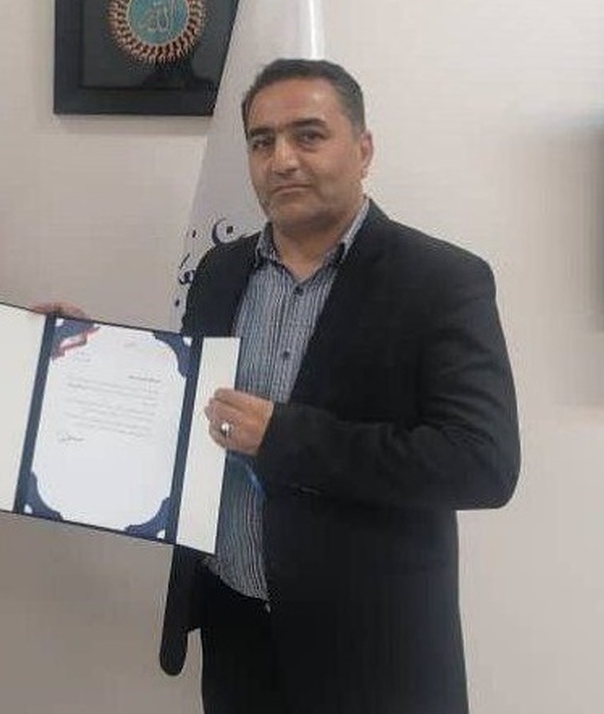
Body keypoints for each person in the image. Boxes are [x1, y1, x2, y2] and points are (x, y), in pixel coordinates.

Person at [158, 59, 520, 713]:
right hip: (235, 628)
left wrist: (283, 436)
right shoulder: (220, 270)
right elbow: (185, 409)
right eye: (262, 142)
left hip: (373, 652)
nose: (283, 160)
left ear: (364, 149)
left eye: (309, 135)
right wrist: (73, 359)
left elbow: (482, 464)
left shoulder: (442, 281)